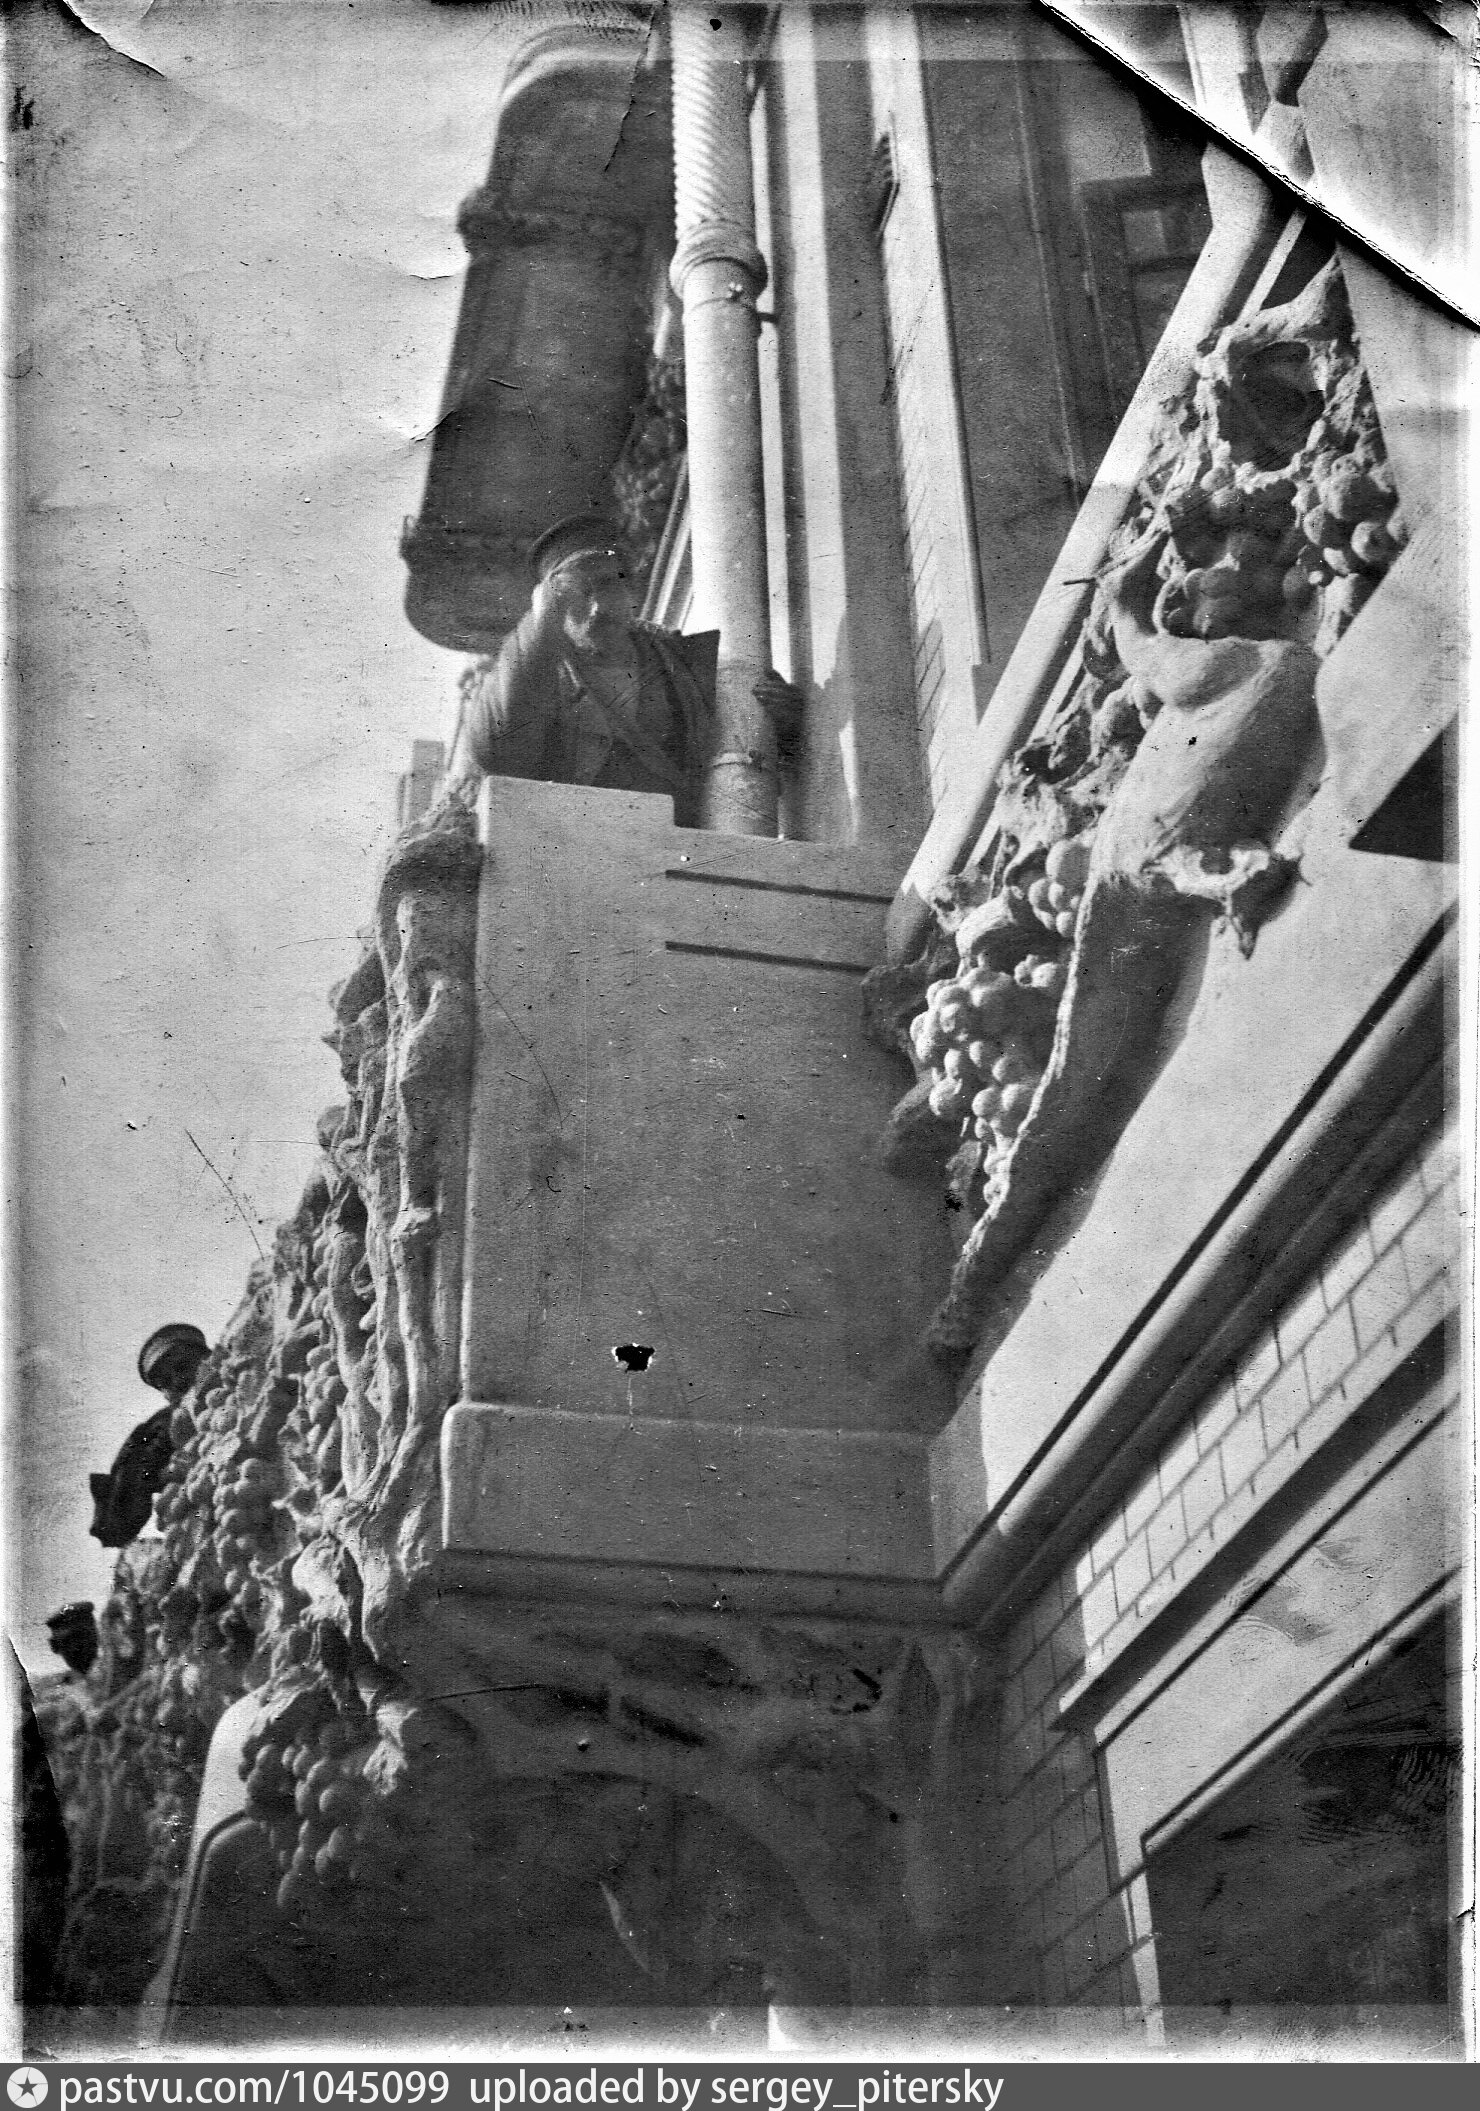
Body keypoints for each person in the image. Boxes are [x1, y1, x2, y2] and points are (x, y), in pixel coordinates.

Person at [449, 516, 799, 827]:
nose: (597, 608)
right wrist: (541, 623)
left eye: (608, 584)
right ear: (552, 604)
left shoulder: (683, 663)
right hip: (583, 847)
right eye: (578, 594)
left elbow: (742, 753)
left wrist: (782, 724)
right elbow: (496, 751)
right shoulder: (539, 675)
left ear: (632, 589)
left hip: (683, 846)